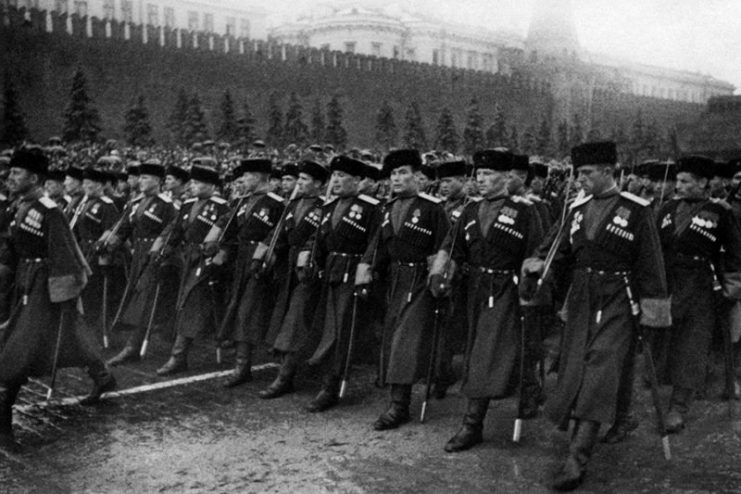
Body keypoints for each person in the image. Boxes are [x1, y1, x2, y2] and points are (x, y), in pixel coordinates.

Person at [522, 141, 671, 491]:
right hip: (582, 298)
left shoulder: (637, 210)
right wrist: (540, 266)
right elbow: (558, 252)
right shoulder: (576, 208)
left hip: (621, 297)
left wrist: (654, 313)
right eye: (578, 173)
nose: (580, 179)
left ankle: (577, 459)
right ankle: (612, 421)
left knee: (601, 368)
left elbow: (651, 263)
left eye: (587, 173)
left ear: (608, 171)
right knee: (576, 366)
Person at [0, 149, 116, 452]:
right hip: (25, 282)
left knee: (20, 348)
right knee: (69, 336)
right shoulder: (19, 206)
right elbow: (11, 247)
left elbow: (66, 253)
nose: (10, 178)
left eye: (16, 173)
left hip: (45, 285)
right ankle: (102, 376)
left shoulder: (50, 211)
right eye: (10, 173)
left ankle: (3, 424)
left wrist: (65, 294)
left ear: (34, 178)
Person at [431, 149, 544, 451]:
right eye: (478, 174)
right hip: (474, 289)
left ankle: (472, 424)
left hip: (506, 288)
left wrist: (530, 288)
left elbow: (536, 254)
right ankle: (530, 387)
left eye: (488, 174)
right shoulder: (469, 210)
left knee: (486, 352)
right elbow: (452, 247)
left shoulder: (524, 211)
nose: (481, 180)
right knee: (486, 349)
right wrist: (442, 273)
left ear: (506, 177)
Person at [358, 149, 450, 431]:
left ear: (418, 176)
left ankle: (399, 406)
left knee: (404, 341)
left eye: (403, 173)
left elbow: (445, 247)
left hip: (420, 280)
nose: (397, 179)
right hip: (394, 280)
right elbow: (377, 248)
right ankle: (398, 396)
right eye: (393, 174)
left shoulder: (433, 208)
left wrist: (438, 279)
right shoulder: (387, 209)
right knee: (392, 336)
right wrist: (366, 271)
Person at [656, 156, 741, 432]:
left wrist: (732, 288)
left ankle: (678, 408)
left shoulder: (720, 213)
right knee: (667, 342)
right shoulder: (666, 209)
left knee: (692, 346)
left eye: (685, 181)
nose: (678, 186)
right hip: (669, 283)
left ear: (703, 183)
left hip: (702, 285)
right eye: (677, 180)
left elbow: (735, 255)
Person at [305, 155, 381, 412]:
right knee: (326, 326)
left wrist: (366, 271)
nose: (335, 181)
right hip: (331, 273)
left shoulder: (371, 207)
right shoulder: (328, 208)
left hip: (353, 272)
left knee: (342, 330)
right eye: (334, 176)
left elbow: (375, 243)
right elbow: (319, 242)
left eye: (342, 176)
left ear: (357, 180)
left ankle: (331, 385)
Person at [207, 158, 285, 388]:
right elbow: (230, 229)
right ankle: (242, 362)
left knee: (247, 312)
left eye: (249, 175)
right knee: (238, 307)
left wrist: (264, 256)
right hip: (240, 260)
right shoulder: (242, 201)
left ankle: (243, 366)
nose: (243, 179)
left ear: (262, 177)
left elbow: (278, 234)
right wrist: (217, 246)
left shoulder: (276, 203)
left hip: (259, 261)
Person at [259, 160, 330, 398]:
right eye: (298, 179)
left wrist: (307, 257)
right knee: (286, 314)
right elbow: (278, 233)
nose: (299, 183)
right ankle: (292, 365)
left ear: (318, 184)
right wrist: (265, 252)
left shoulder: (324, 206)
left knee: (296, 318)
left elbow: (322, 239)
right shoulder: (294, 204)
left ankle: (285, 376)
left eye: (304, 180)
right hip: (287, 267)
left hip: (309, 268)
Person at [155, 165, 231, 376]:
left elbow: (228, 235)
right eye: (193, 182)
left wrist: (218, 257)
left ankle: (178, 356)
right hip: (186, 259)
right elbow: (176, 229)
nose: (193, 187)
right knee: (185, 303)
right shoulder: (188, 205)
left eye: (198, 183)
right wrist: (166, 246)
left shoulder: (222, 206)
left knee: (191, 304)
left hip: (205, 260)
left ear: (211, 186)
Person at [105, 159, 178, 365]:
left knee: (144, 299)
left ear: (157, 180)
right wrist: (112, 243)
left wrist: (162, 252)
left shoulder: (166, 205)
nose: (141, 181)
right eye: (141, 177)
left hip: (155, 256)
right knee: (134, 295)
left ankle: (132, 347)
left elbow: (172, 231)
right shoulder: (135, 203)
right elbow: (124, 228)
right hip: (137, 255)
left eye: (145, 177)